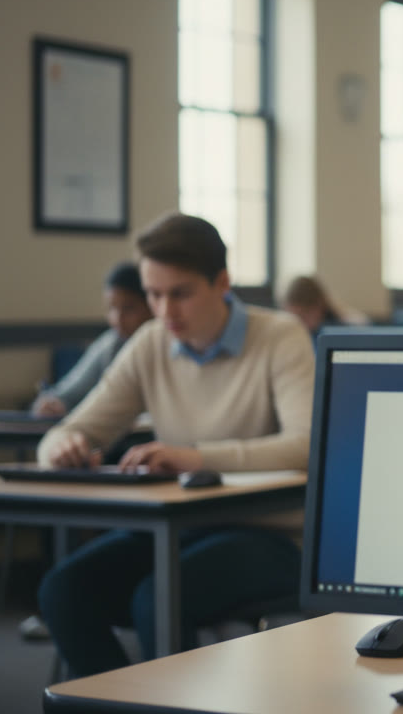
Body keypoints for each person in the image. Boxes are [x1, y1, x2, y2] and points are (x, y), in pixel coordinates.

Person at [36, 213, 316, 676]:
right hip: (177, 528)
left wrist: (196, 458)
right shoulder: (150, 343)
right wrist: (63, 446)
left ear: (222, 283)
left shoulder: (280, 336)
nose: (165, 311)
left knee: (156, 599)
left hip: (273, 535)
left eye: (180, 293)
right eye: (154, 294)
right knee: (61, 591)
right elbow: (70, 430)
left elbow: (306, 446)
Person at [31, 262, 153, 417]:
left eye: (128, 308)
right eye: (111, 308)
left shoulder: (163, 346)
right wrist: (53, 403)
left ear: (151, 306)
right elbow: (68, 393)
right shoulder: (111, 343)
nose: (117, 319)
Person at [280, 275, 367, 337]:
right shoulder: (289, 333)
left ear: (318, 307)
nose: (298, 323)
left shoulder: (339, 328)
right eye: (292, 317)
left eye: (303, 316)